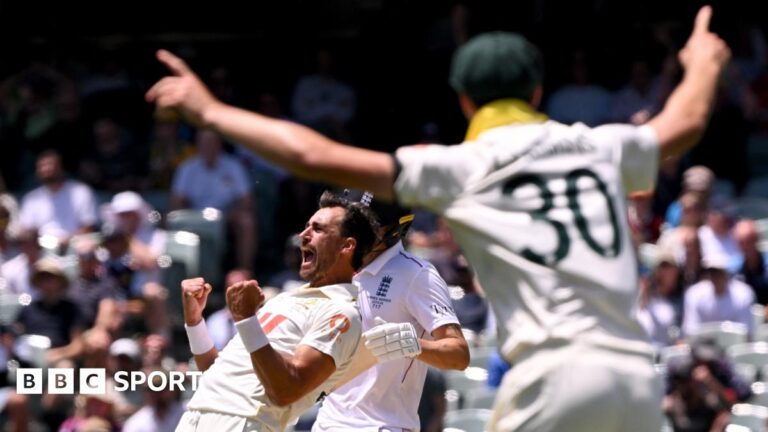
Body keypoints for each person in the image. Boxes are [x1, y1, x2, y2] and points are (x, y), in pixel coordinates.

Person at [147, 6, 730, 431]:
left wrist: (212, 111)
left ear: (464, 100)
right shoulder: (601, 146)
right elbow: (684, 123)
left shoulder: (462, 166)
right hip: (634, 376)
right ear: (537, 90)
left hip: (548, 381)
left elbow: (310, 153)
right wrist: (703, 61)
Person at [175, 191, 377, 432]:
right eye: (306, 227)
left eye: (318, 229)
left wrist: (246, 319)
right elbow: (215, 372)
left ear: (347, 246)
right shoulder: (284, 299)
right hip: (195, 417)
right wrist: (194, 321)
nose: (303, 235)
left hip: (244, 422)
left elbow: (286, 391)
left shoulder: (343, 313)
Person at [313, 192, 469, 432]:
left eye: (363, 224)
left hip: (382, 426)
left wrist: (410, 344)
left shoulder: (417, 274)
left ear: (394, 230)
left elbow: (459, 355)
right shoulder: (336, 266)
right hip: (325, 423)